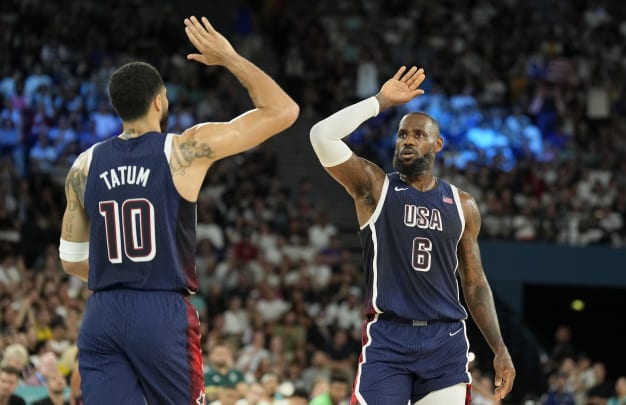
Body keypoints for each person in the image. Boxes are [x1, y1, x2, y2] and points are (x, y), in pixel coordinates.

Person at [58, 16, 298, 405]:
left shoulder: (83, 166)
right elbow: (283, 111)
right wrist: (231, 58)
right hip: (160, 312)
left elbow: (70, 259)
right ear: (159, 100)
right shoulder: (184, 149)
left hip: (101, 313)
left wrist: (119, 274)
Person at [308, 66, 515, 404]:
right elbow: (321, 136)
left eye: (418, 135)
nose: (408, 141)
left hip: (445, 339)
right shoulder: (374, 187)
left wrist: (500, 348)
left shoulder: (462, 204)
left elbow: (475, 284)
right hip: (389, 337)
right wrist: (379, 101)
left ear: (437, 144)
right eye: (403, 135)